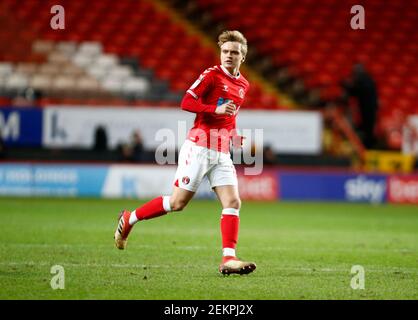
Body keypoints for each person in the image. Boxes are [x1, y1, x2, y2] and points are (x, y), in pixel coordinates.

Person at [114, 30, 256, 275]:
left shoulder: (244, 84)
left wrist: (233, 135)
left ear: (243, 57)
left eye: (234, 52)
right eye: (225, 51)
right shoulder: (211, 76)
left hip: (222, 152)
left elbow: (231, 116)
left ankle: (228, 259)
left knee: (233, 202)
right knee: (177, 203)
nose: (229, 56)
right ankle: (130, 218)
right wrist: (215, 109)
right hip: (199, 147)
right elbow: (186, 102)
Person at [341, 63, 379, 149]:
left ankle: (368, 146)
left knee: (368, 128)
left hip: (368, 108)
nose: (355, 73)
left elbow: (356, 91)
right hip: (366, 108)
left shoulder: (364, 80)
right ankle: (366, 145)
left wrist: (347, 86)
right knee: (366, 128)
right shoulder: (365, 79)